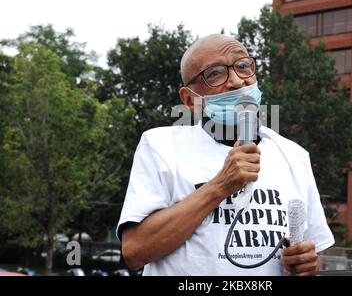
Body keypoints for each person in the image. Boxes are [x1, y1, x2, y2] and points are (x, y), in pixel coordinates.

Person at [117, 34, 335, 276]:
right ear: (189, 99)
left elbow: (314, 250)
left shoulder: (293, 155)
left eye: (243, 66)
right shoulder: (160, 146)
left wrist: (305, 264)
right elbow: (134, 252)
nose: (236, 81)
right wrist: (220, 185)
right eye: (215, 74)